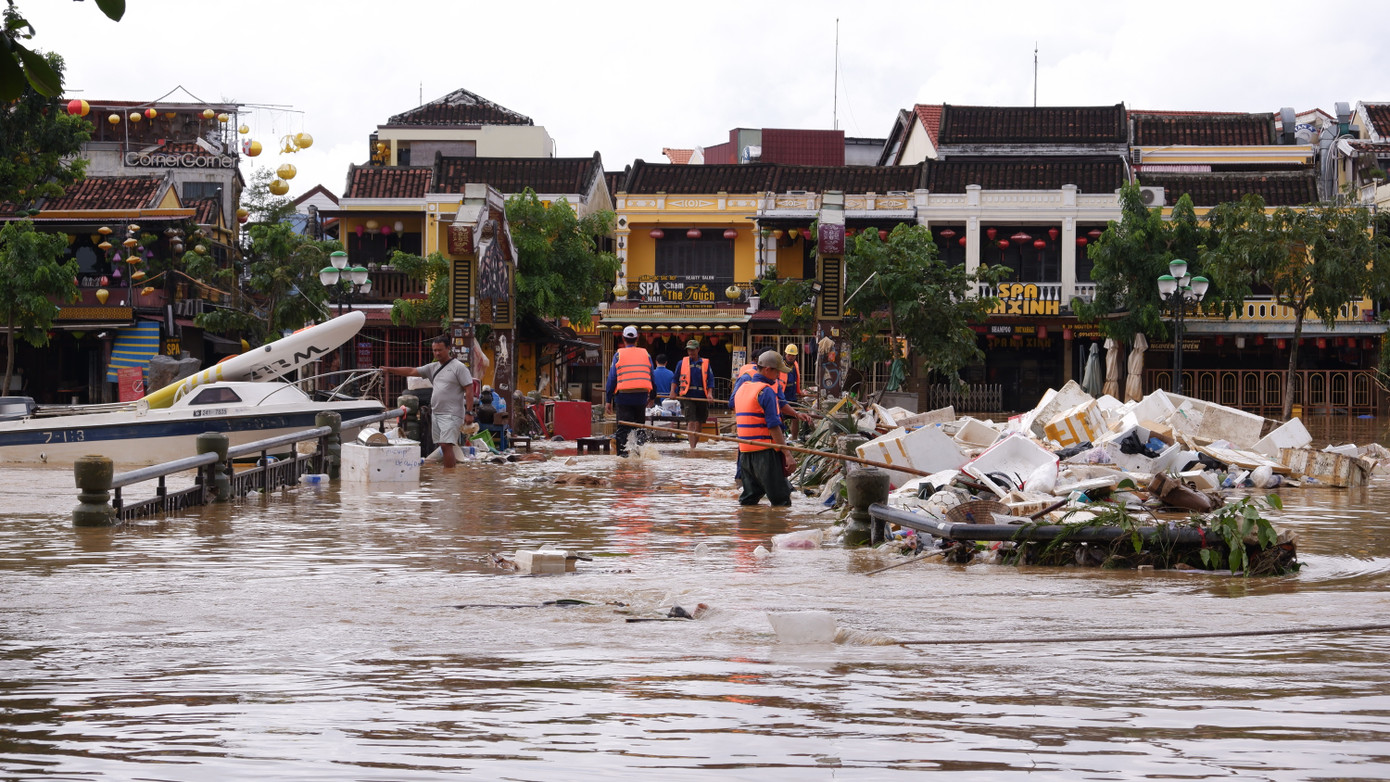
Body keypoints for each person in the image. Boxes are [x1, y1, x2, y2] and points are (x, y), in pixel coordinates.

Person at [381, 336, 474, 468]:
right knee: (443, 445)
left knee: (446, 445)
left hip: (452, 413)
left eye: (440, 350)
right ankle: (449, 476)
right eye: (434, 350)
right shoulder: (432, 367)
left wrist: (469, 412)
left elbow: (469, 390)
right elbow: (412, 371)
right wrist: (390, 370)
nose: (437, 353)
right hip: (436, 412)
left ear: (448, 349)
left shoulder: (459, 368)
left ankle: (449, 477)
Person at [733, 350, 796, 506]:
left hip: (745, 454)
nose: (779, 376)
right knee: (782, 502)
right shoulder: (766, 391)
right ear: (768, 370)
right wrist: (787, 454)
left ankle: (748, 527)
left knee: (748, 500)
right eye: (778, 372)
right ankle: (778, 530)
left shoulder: (742, 388)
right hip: (765, 453)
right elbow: (774, 426)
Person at [604, 325, 655, 457]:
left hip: (624, 398)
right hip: (641, 397)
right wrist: (653, 396)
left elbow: (611, 379)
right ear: (637, 338)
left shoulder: (618, 355)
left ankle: (622, 458)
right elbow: (652, 376)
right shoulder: (646, 354)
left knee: (623, 429)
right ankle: (639, 455)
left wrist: (608, 400)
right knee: (639, 428)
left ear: (623, 338)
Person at [672, 339, 714, 450]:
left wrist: (709, 394)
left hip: (702, 396)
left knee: (699, 422)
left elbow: (710, 381)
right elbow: (675, 379)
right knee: (690, 420)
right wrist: (673, 391)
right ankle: (692, 447)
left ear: (698, 349)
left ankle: (694, 445)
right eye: (689, 350)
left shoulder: (705, 364)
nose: (690, 352)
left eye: (693, 350)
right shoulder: (682, 363)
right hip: (688, 395)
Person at [782, 343, 803, 440]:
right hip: (782, 397)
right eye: (789, 355)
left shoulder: (795, 365)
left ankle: (794, 438)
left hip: (792, 396)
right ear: (785, 354)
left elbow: (797, 380)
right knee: (781, 418)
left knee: (795, 418)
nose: (790, 357)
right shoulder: (780, 366)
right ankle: (780, 438)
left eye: (793, 355)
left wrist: (799, 392)